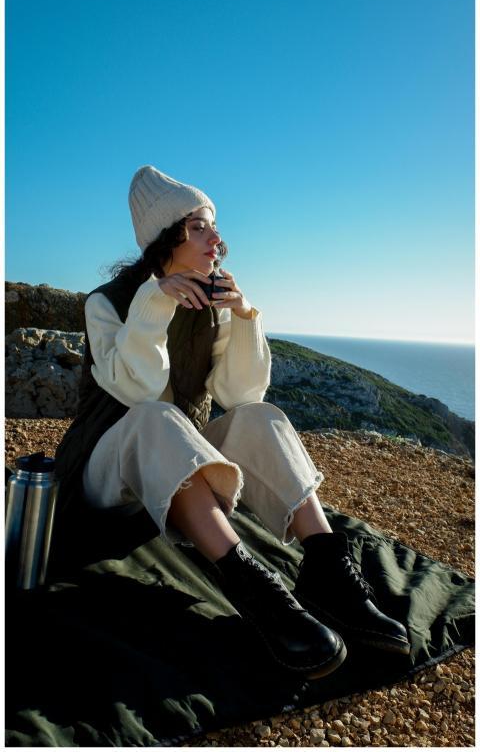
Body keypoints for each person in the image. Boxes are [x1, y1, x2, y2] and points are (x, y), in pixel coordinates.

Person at [55, 165, 409, 679]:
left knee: (259, 418)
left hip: (181, 472)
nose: (216, 239)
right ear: (163, 236)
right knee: (156, 416)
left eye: (214, 227)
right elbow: (138, 392)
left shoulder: (214, 301)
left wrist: (246, 318)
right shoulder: (105, 303)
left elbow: (240, 395)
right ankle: (257, 593)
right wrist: (155, 302)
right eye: (199, 226)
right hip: (105, 478)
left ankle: (327, 570)